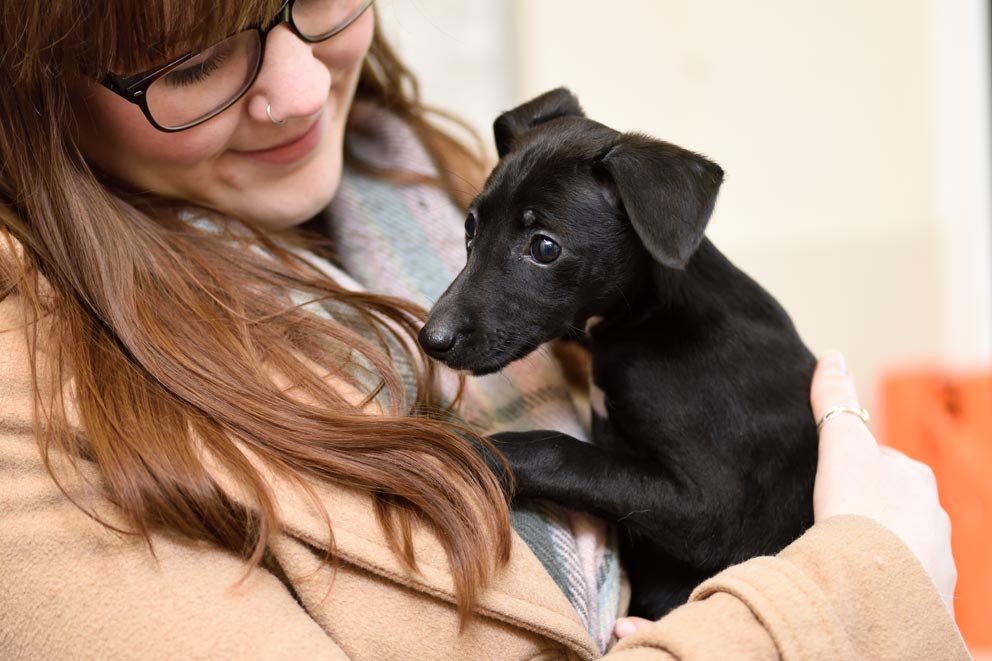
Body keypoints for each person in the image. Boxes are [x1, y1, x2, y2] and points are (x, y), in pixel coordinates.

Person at [0, 0, 968, 658]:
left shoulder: (430, 169)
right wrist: (858, 583)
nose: (298, 91)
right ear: (32, 83)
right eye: (193, 57)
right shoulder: (32, 404)